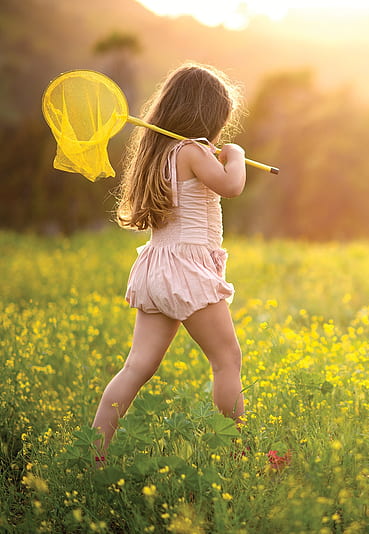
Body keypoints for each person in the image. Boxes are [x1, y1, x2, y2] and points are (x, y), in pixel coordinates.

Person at [91, 62, 247, 465]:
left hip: (157, 266)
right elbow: (232, 185)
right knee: (226, 360)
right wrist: (237, 155)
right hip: (188, 270)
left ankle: (95, 452)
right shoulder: (194, 151)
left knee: (136, 366)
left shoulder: (158, 152)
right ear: (207, 116)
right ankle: (236, 452)